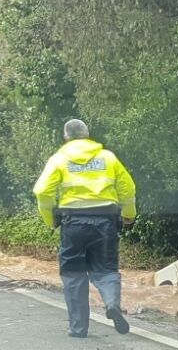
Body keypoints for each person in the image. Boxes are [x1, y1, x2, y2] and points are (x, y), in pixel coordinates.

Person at [32, 119, 137, 338]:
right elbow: (128, 189)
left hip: (74, 224)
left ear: (66, 137)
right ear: (88, 136)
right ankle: (111, 304)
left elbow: (42, 191)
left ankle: (78, 328)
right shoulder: (108, 157)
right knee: (106, 269)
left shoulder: (59, 159)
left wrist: (50, 219)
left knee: (73, 274)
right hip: (105, 222)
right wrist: (128, 216)